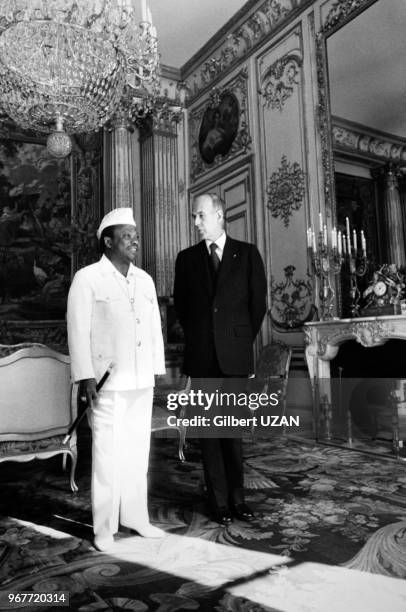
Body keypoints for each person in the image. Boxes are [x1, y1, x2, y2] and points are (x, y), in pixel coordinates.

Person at [67, 207, 166, 551]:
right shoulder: (88, 278)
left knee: (138, 453)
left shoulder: (145, 280)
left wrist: (156, 370)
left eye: (135, 235)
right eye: (127, 236)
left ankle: (136, 517)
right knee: (107, 455)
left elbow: (153, 328)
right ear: (108, 241)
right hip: (106, 384)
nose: (134, 241)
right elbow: (78, 331)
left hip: (140, 381)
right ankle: (104, 528)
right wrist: (85, 377)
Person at [174, 193, 267, 525]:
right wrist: (204, 339)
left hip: (234, 359)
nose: (196, 222)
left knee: (231, 431)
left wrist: (237, 341)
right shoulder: (186, 259)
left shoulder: (248, 253)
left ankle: (238, 498)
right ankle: (218, 502)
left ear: (218, 215)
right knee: (209, 434)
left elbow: (258, 306)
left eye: (200, 215)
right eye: (194, 217)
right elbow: (183, 309)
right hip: (202, 358)